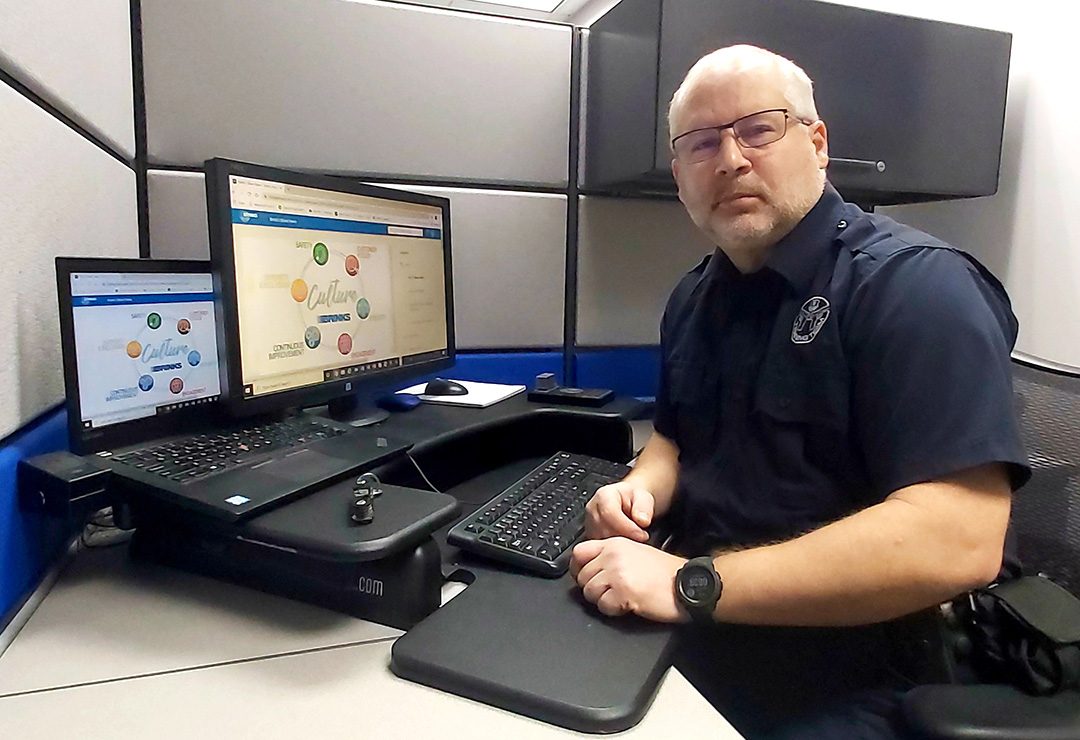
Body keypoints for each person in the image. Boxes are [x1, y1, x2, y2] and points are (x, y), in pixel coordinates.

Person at [570, 45, 1029, 739]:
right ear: (680, 174)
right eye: (701, 144)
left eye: (758, 128)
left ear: (816, 143)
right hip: (701, 628)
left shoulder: (916, 288)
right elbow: (674, 438)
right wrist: (643, 488)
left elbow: (956, 539)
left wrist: (687, 582)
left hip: (850, 674)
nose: (729, 159)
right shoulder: (695, 296)